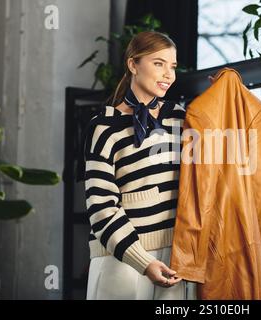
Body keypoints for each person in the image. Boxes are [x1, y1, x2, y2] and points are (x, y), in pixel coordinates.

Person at [83, 31, 195, 300]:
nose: (169, 74)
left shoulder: (180, 119)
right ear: (133, 65)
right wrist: (142, 262)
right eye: (159, 63)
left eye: (173, 66)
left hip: (176, 259)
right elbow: (101, 208)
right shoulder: (104, 127)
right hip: (120, 260)